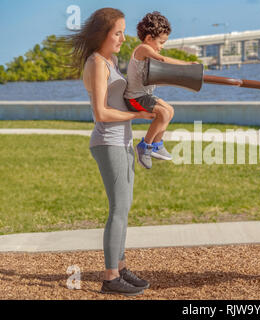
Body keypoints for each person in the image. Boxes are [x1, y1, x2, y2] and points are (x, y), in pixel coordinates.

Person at [68, 7, 153, 296]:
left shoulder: (111, 60)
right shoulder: (96, 64)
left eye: (122, 31)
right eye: (117, 32)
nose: (122, 37)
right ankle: (110, 276)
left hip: (123, 141)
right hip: (108, 141)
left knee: (125, 207)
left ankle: (121, 264)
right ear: (102, 34)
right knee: (117, 209)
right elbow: (101, 113)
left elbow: (124, 100)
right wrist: (138, 118)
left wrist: (147, 106)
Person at [124, 11, 199, 169]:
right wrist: (187, 65)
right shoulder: (143, 49)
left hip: (145, 95)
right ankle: (145, 146)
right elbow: (163, 61)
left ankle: (157, 144)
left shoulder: (148, 51)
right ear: (149, 38)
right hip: (134, 99)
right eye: (161, 42)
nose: (162, 47)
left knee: (169, 111)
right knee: (163, 113)